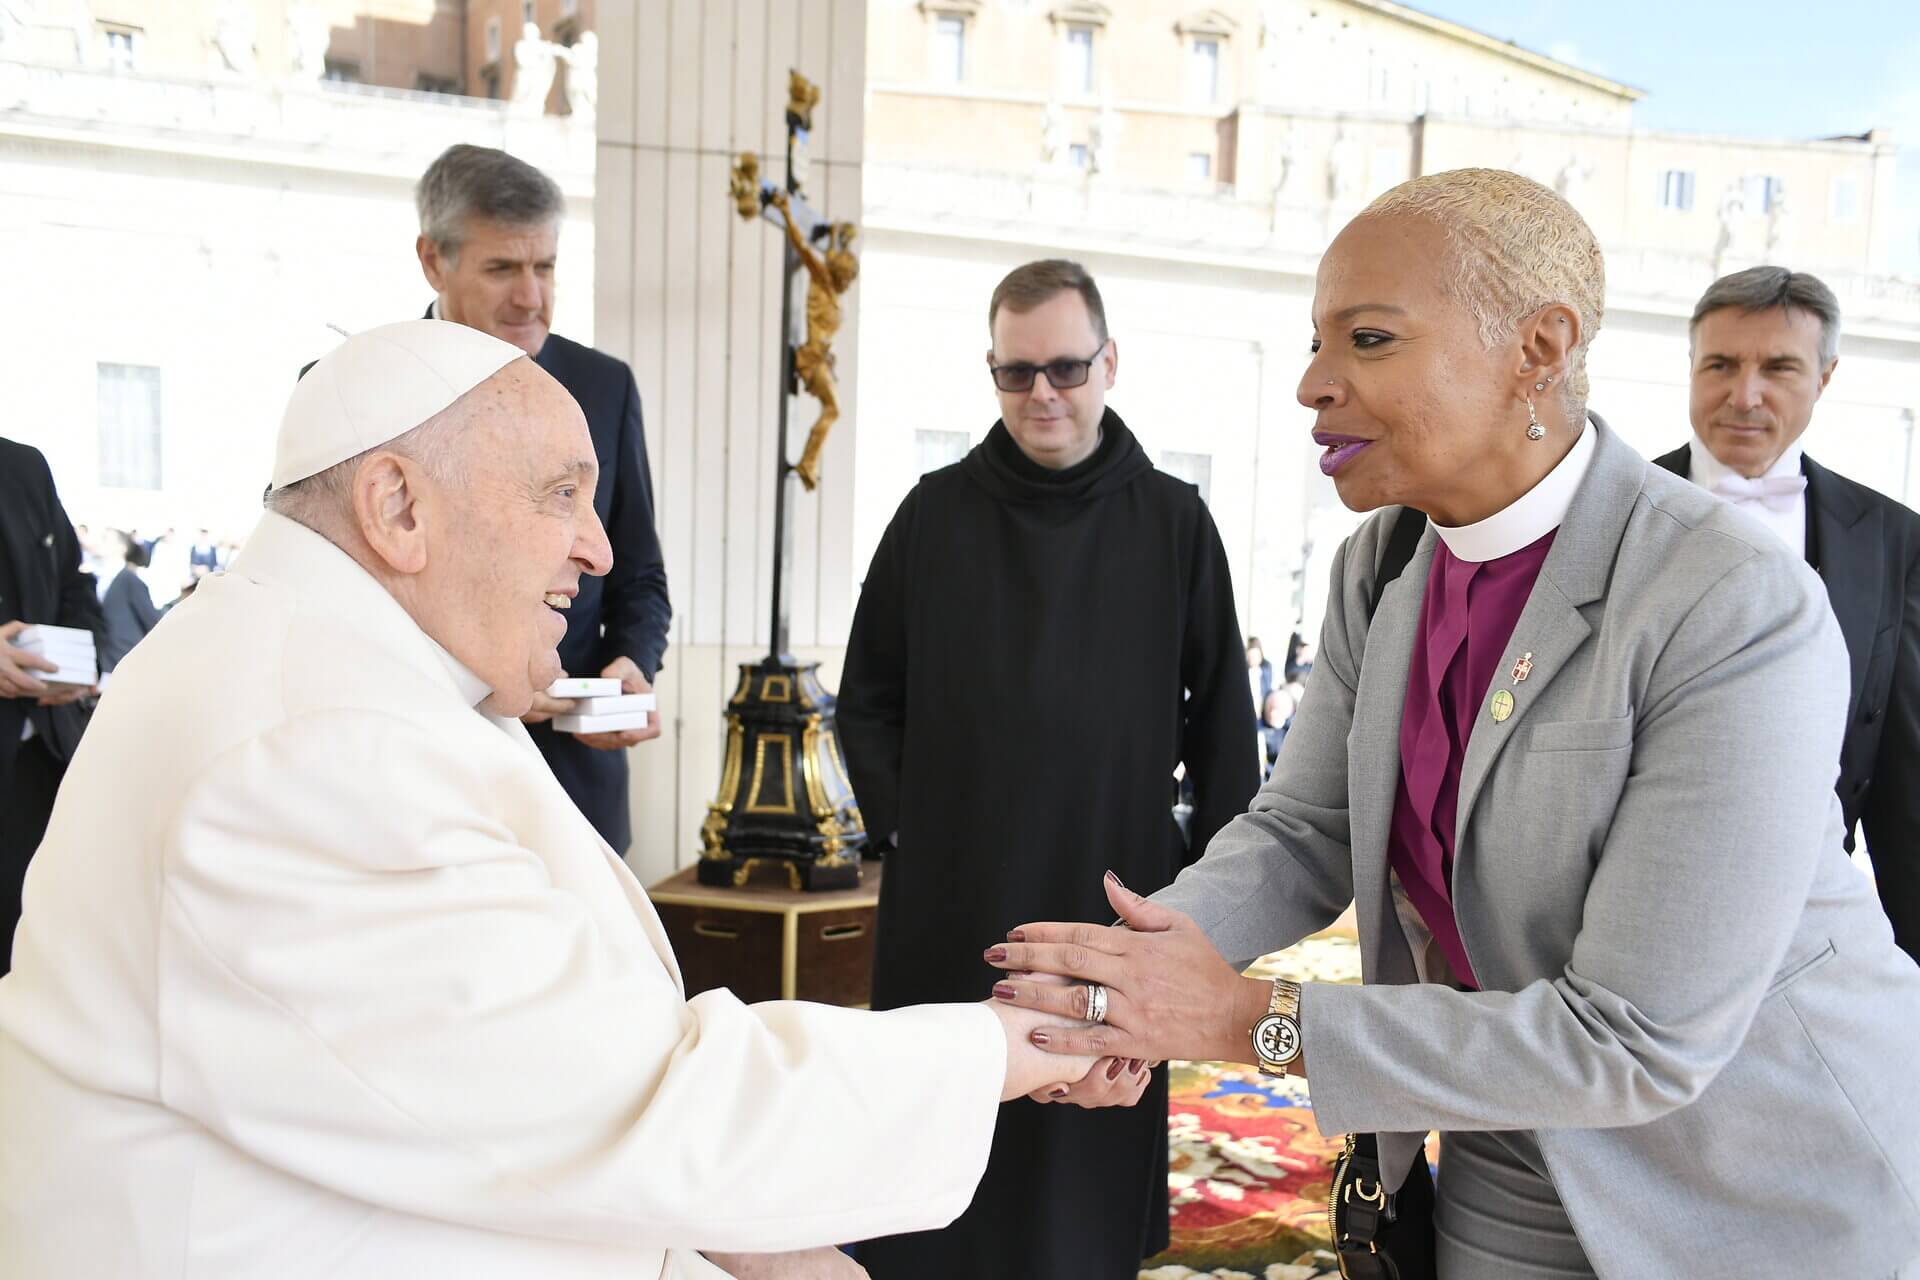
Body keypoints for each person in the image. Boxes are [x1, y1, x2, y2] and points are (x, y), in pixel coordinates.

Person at [0, 320, 1098, 1277]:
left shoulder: (324, 663)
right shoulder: (309, 746)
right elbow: (622, 1103)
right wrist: (1006, 1045)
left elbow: (493, 1089)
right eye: (560, 493)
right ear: (396, 506)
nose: (599, 543)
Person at [987, 170, 1920, 1278]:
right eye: (1317, 340)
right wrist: (1129, 981)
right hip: (1494, 1138)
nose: (1310, 383)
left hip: (1749, 1182)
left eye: (1369, 339)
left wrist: (1239, 1017)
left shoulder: (1729, 602)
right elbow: (1303, 827)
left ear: (1540, 345)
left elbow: (1635, 1040)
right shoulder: (1380, 566)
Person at [837, 260, 1261, 1279]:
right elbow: (867, 698)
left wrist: (1203, 907)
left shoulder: (1174, 522)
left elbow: (1224, 730)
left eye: (1066, 369)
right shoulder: (931, 514)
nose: (1043, 395)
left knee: (1082, 1169)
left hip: (1110, 888)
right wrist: (916, 830)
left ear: (1109, 363)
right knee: (943, 1157)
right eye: (1015, 373)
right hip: (954, 895)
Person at [1652, 266, 1920, 961]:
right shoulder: (1606, 515)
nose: (1745, 395)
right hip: (1625, 915)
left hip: (1808, 932)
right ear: (1690, 367)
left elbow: (1902, 776)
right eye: (1720, 364)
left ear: (1825, 377)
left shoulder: (1896, 540)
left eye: (1778, 367)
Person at [415, 143, 670, 855]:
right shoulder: (352, 390)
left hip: (573, 784)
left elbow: (638, 575)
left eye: (545, 267)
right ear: (433, 260)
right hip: (419, 773)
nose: (531, 297)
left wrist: (630, 663)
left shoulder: (604, 386)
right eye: (502, 269)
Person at [0, 436, 102, 976]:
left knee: (42, 957)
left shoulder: (23, 465)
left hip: (45, 762)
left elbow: (73, 586)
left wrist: (78, 661)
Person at [98, 530, 164, 672]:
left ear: (122, 548)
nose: (101, 542)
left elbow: (152, 620)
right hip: (106, 659)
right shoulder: (102, 577)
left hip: (124, 658)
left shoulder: (129, 579)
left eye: (106, 539)